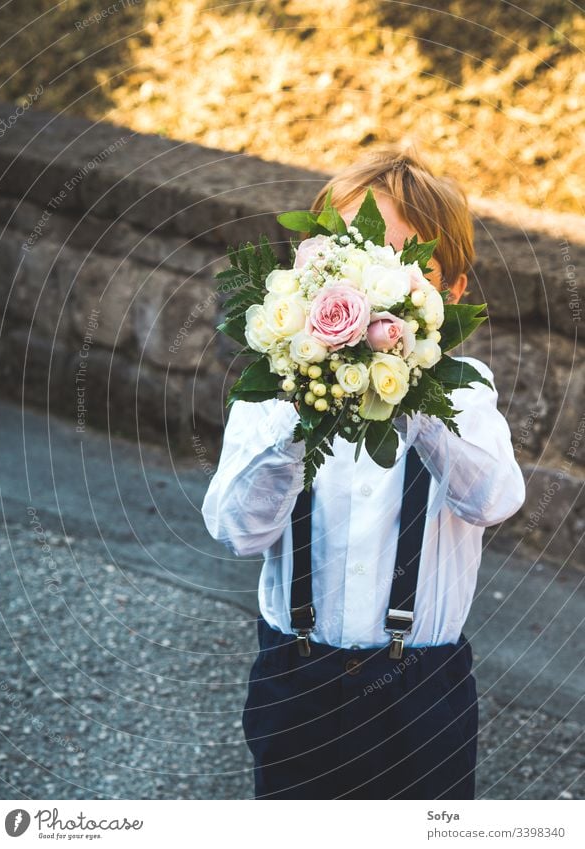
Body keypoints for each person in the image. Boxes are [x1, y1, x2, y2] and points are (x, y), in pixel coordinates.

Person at [201, 146, 526, 800]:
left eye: (409, 263)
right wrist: (296, 408)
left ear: (452, 291)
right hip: (295, 676)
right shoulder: (272, 391)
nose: (375, 278)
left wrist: (415, 385)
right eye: (350, 254)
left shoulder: (463, 392)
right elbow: (237, 531)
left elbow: (494, 497)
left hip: (421, 687)